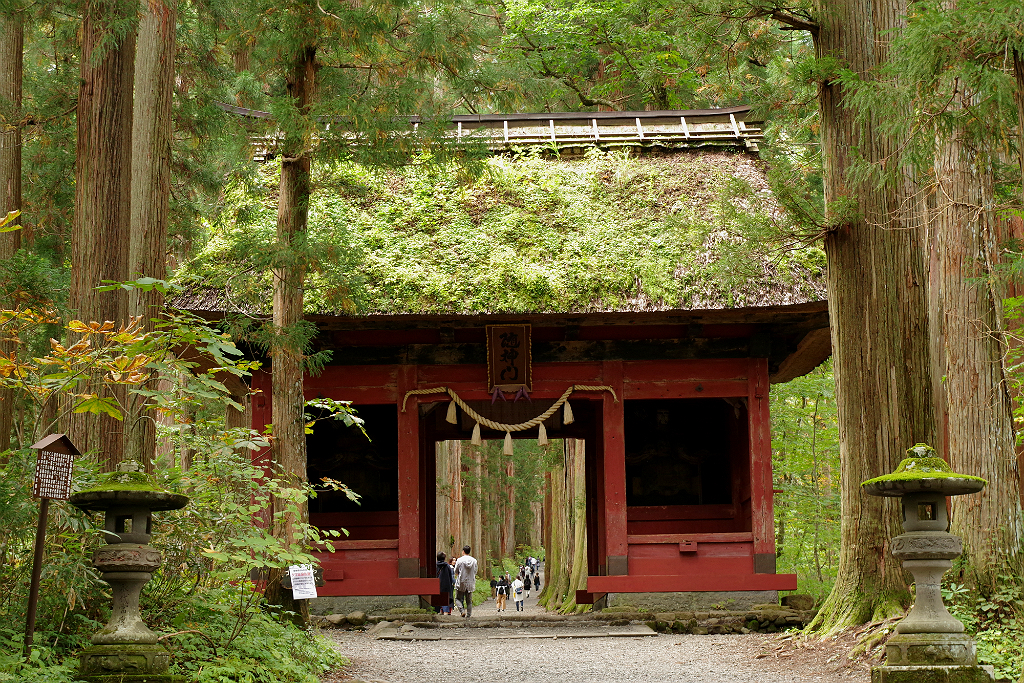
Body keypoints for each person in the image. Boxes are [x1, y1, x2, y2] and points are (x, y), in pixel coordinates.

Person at [453, 545, 478, 618]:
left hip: (461, 582)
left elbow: (456, 571)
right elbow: (475, 571)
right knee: (469, 601)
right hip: (470, 582)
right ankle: (469, 615)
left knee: (457, 598)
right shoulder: (474, 561)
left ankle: (462, 611)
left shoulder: (460, 560)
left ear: (463, 551)